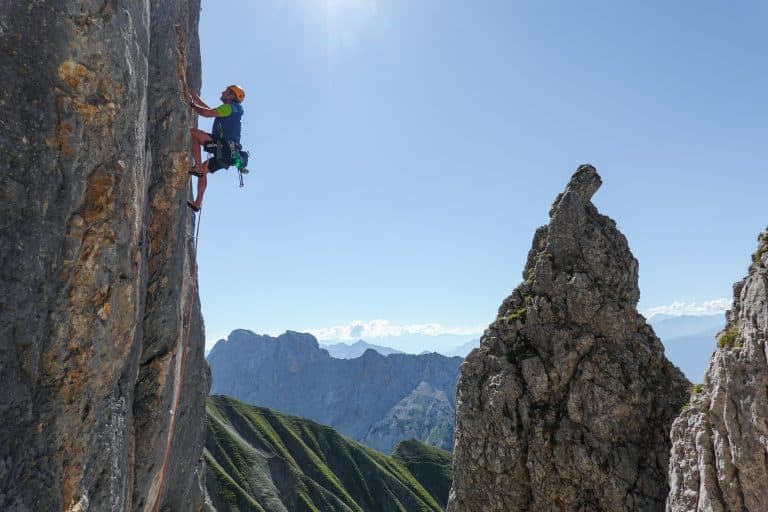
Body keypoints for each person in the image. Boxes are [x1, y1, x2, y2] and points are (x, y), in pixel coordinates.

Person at [186, 84, 245, 211]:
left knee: (193, 133)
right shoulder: (232, 109)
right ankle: (197, 202)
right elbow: (210, 110)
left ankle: (198, 167)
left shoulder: (228, 107)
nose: (222, 91)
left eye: (226, 91)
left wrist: (192, 104)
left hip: (224, 147)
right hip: (230, 155)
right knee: (204, 171)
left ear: (231, 95)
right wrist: (196, 99)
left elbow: (206, 113)